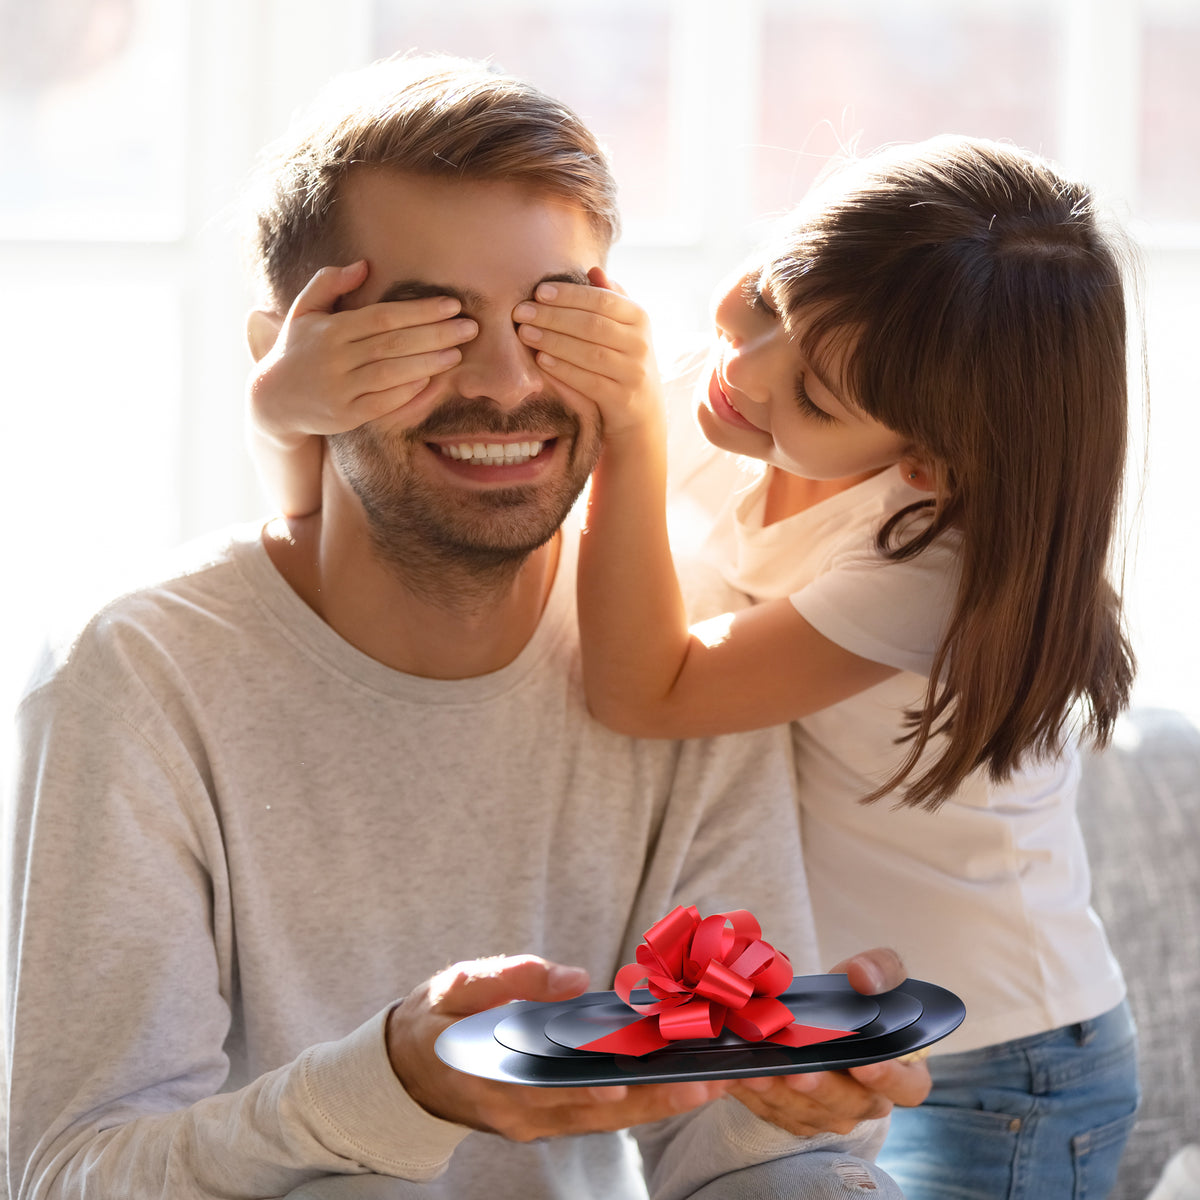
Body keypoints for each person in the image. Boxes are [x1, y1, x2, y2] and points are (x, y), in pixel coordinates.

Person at [2, 55, 930, 1200]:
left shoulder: (692, 657)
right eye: (425, 328)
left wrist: (792, 1108)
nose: (501, 380)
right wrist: (392, 1087)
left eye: (553, 319)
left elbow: (737, 1150)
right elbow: (73, 1171)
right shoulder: (139, 676)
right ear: (284, 358)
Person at [247, 129, 1143, 1195]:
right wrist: (281, 410)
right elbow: (384, 519)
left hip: (997, 1060)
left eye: (813, 394)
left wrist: (627, 431)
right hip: (842, 1027)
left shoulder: (930, 564)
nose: (740, 369)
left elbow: (647, 689)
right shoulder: (744, 410)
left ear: (927, 463)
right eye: (765, 301)